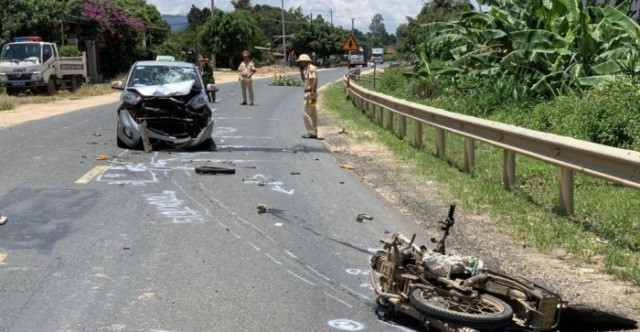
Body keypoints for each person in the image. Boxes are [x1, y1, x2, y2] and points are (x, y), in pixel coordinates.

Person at [297, 54, 319, 139]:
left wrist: (312, 92)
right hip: (311, 93)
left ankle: (311, 132)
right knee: (312, 113)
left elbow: (313, 80)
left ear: (305, 61)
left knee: (305, 112)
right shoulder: (306, 69)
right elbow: (304, 80)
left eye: (301, 61)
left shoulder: (311, 68)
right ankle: (314, 131)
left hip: (310, 93)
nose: (300, 63)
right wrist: (301, 71)